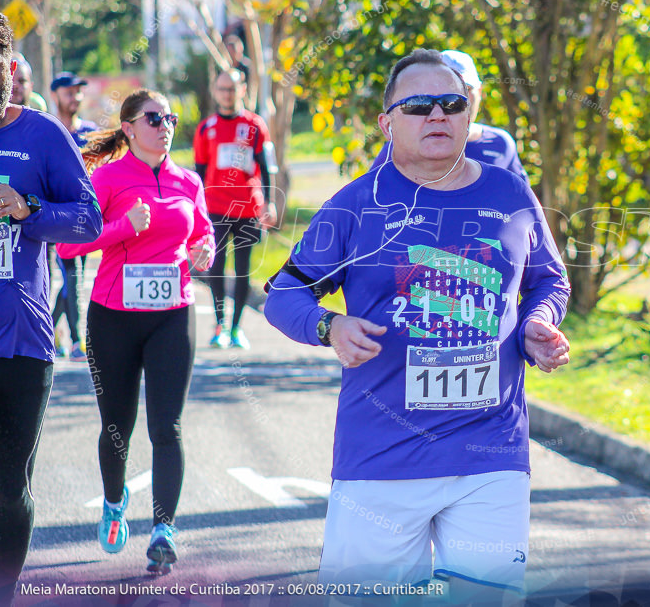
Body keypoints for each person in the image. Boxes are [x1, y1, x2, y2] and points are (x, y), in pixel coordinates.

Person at [264, 48, 571, 603]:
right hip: (380, 459)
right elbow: (285, 291)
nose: (437, 116)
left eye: (451, 103)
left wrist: (537, 324)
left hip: (490, 454)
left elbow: (549, 280)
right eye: (418, 106)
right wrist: (327, 328)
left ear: (469, 115)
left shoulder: (509, 192)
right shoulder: (357, 204)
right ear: (387, 123)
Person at [56, 89, 215, 575]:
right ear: (128, 128)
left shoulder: (188, 180)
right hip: (112, 319)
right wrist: (123, 226)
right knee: (116, 428)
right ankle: (113, 500)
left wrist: (204, 249)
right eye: (153, 118)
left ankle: (163, 530)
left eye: (170, 117)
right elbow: (66, 247)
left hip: (172, 314)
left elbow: (202, 231)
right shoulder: (106, 179)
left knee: (166, 426)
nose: (164, 125)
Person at [0, 11, 102, 605]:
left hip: (19, 342)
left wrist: (27, 207)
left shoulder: (41, 136)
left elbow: (88, 219)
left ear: (10, 71)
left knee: (7, 489)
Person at [193, 68, 277, 349]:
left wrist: (270, 203)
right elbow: (199, 173)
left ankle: (237, 328)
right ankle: (219, 324)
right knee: (215, 268)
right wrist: (196, 208)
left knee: (243, 270)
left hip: (247, 209)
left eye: (232, 88)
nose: (227, 94)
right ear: (216, 91)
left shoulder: (255, 125)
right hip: (214, 208)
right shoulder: (207, 128)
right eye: (222, 88)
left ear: (242, 89)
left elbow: (266, 168)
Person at [370, 49, 529, 184]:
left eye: (466, 89)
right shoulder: (401, 147)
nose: (456, 100)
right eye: (450, 92)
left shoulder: (500, 143)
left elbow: (522, 206)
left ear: (480, 93)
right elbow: (368, 198)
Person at [49, 70, 99, 360]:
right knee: (73, 276)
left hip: (86, 218)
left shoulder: (90, 132)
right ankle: (78, 340)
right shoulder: (50, 130)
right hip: (57, 217)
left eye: (79, 91)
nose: (76, 97)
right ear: (56, 96)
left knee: (73, 279)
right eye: (69, 92)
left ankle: (49, 327)